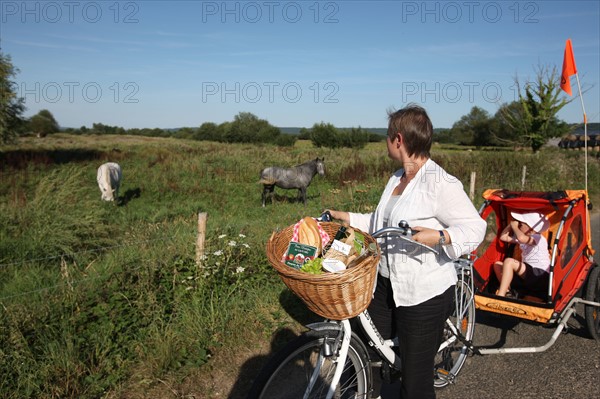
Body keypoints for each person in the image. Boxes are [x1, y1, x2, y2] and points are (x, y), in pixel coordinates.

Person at [327, 104, 486, 399]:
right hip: (385, 283)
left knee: (415, 382)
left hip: (423, 293)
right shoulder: (397, 177)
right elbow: (382, 222)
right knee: (369, 351)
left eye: (387, 137)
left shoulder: (441, 183)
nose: (386, 143)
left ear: (398, 140)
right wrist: (347, 217)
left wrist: (440, 236)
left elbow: (475, 228)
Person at [493, 211, 550, 297]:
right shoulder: (524, 239)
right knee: (497, 265)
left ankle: (501, 295)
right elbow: (503, 237)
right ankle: (507, 291)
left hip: (540, 275)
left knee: (509, 261)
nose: (518, 226)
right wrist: (510, 225)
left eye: (521, 224)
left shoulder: (538, 238)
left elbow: (521, 237)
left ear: (531, 227)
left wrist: (514, 227)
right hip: (530, 273)